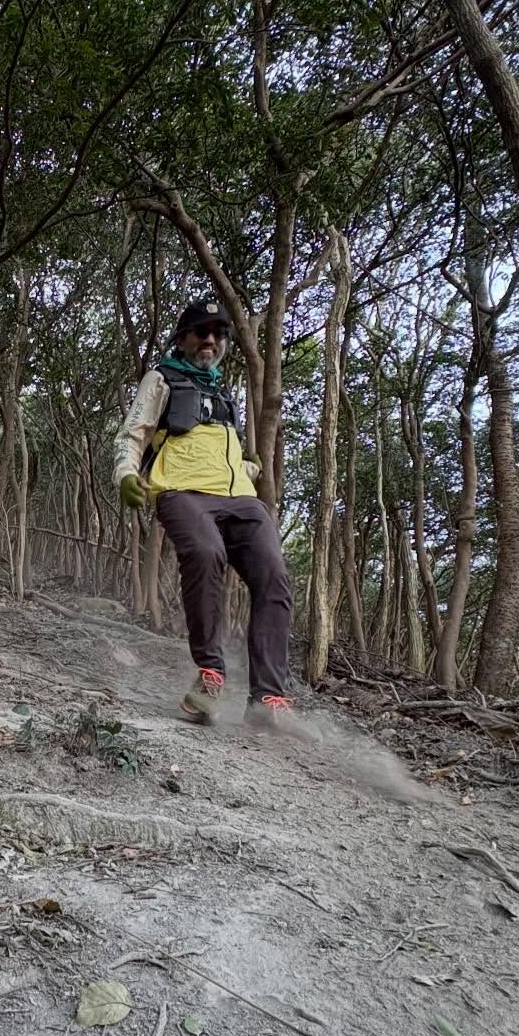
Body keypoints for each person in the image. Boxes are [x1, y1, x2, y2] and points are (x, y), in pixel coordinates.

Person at [113, 297, 296, 728]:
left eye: (218, 333)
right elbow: (132, 433)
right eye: (201, 332)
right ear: (183, 338)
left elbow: (222, 453)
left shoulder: (223, 394)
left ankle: (268, 698)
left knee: (274, 575)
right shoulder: (161, 379)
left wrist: (250, 467)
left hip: (240, 498)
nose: (210, 340)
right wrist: (125, 474)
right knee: (205, 553)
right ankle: (211, 673)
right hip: (181, 493)